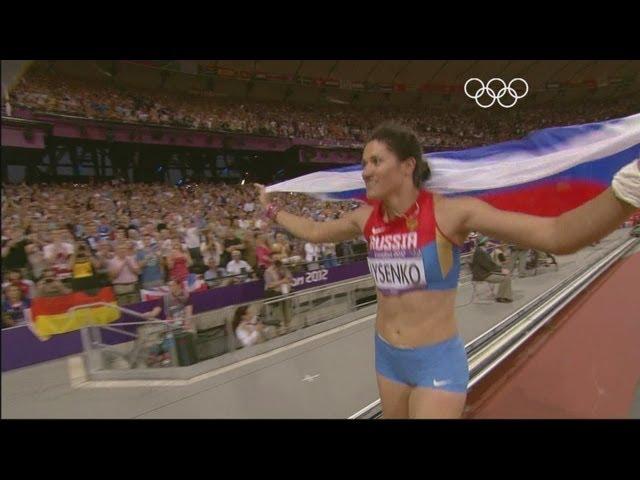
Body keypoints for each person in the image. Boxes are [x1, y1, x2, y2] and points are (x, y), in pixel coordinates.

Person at [254, 123, 640, 419]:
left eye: (375, 161)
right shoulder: (365, 218)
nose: (365, 172)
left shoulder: (450, 213)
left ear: (407, 166)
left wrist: (624, 194)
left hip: (436, 362)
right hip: (387, 357)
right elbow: (317, 232)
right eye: (363, 163)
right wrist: (272, 210)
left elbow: (555, 235)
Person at [470, 236, 513, 303]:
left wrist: (500, 269)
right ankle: (501, 297)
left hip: (484, 272)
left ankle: (503, 295)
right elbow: (489, 265)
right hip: (483, 274)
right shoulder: (481, 252)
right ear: (484, 243)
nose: (489, 243)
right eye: (487, 241)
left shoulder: (480, 250)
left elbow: (489, 264)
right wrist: (501, 270)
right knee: (506, 277)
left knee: (506, 275)